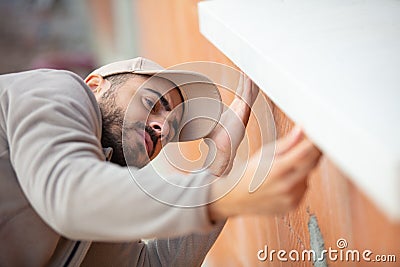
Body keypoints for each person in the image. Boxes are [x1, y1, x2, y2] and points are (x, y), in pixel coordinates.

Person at [0, 57, 321, 266]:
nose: (164, 127)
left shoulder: (103, 204)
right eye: (154, 103)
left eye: (174, 126)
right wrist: (220, 196)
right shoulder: (55, 90)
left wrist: (218, 163)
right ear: (96, 85)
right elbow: (69, 193)